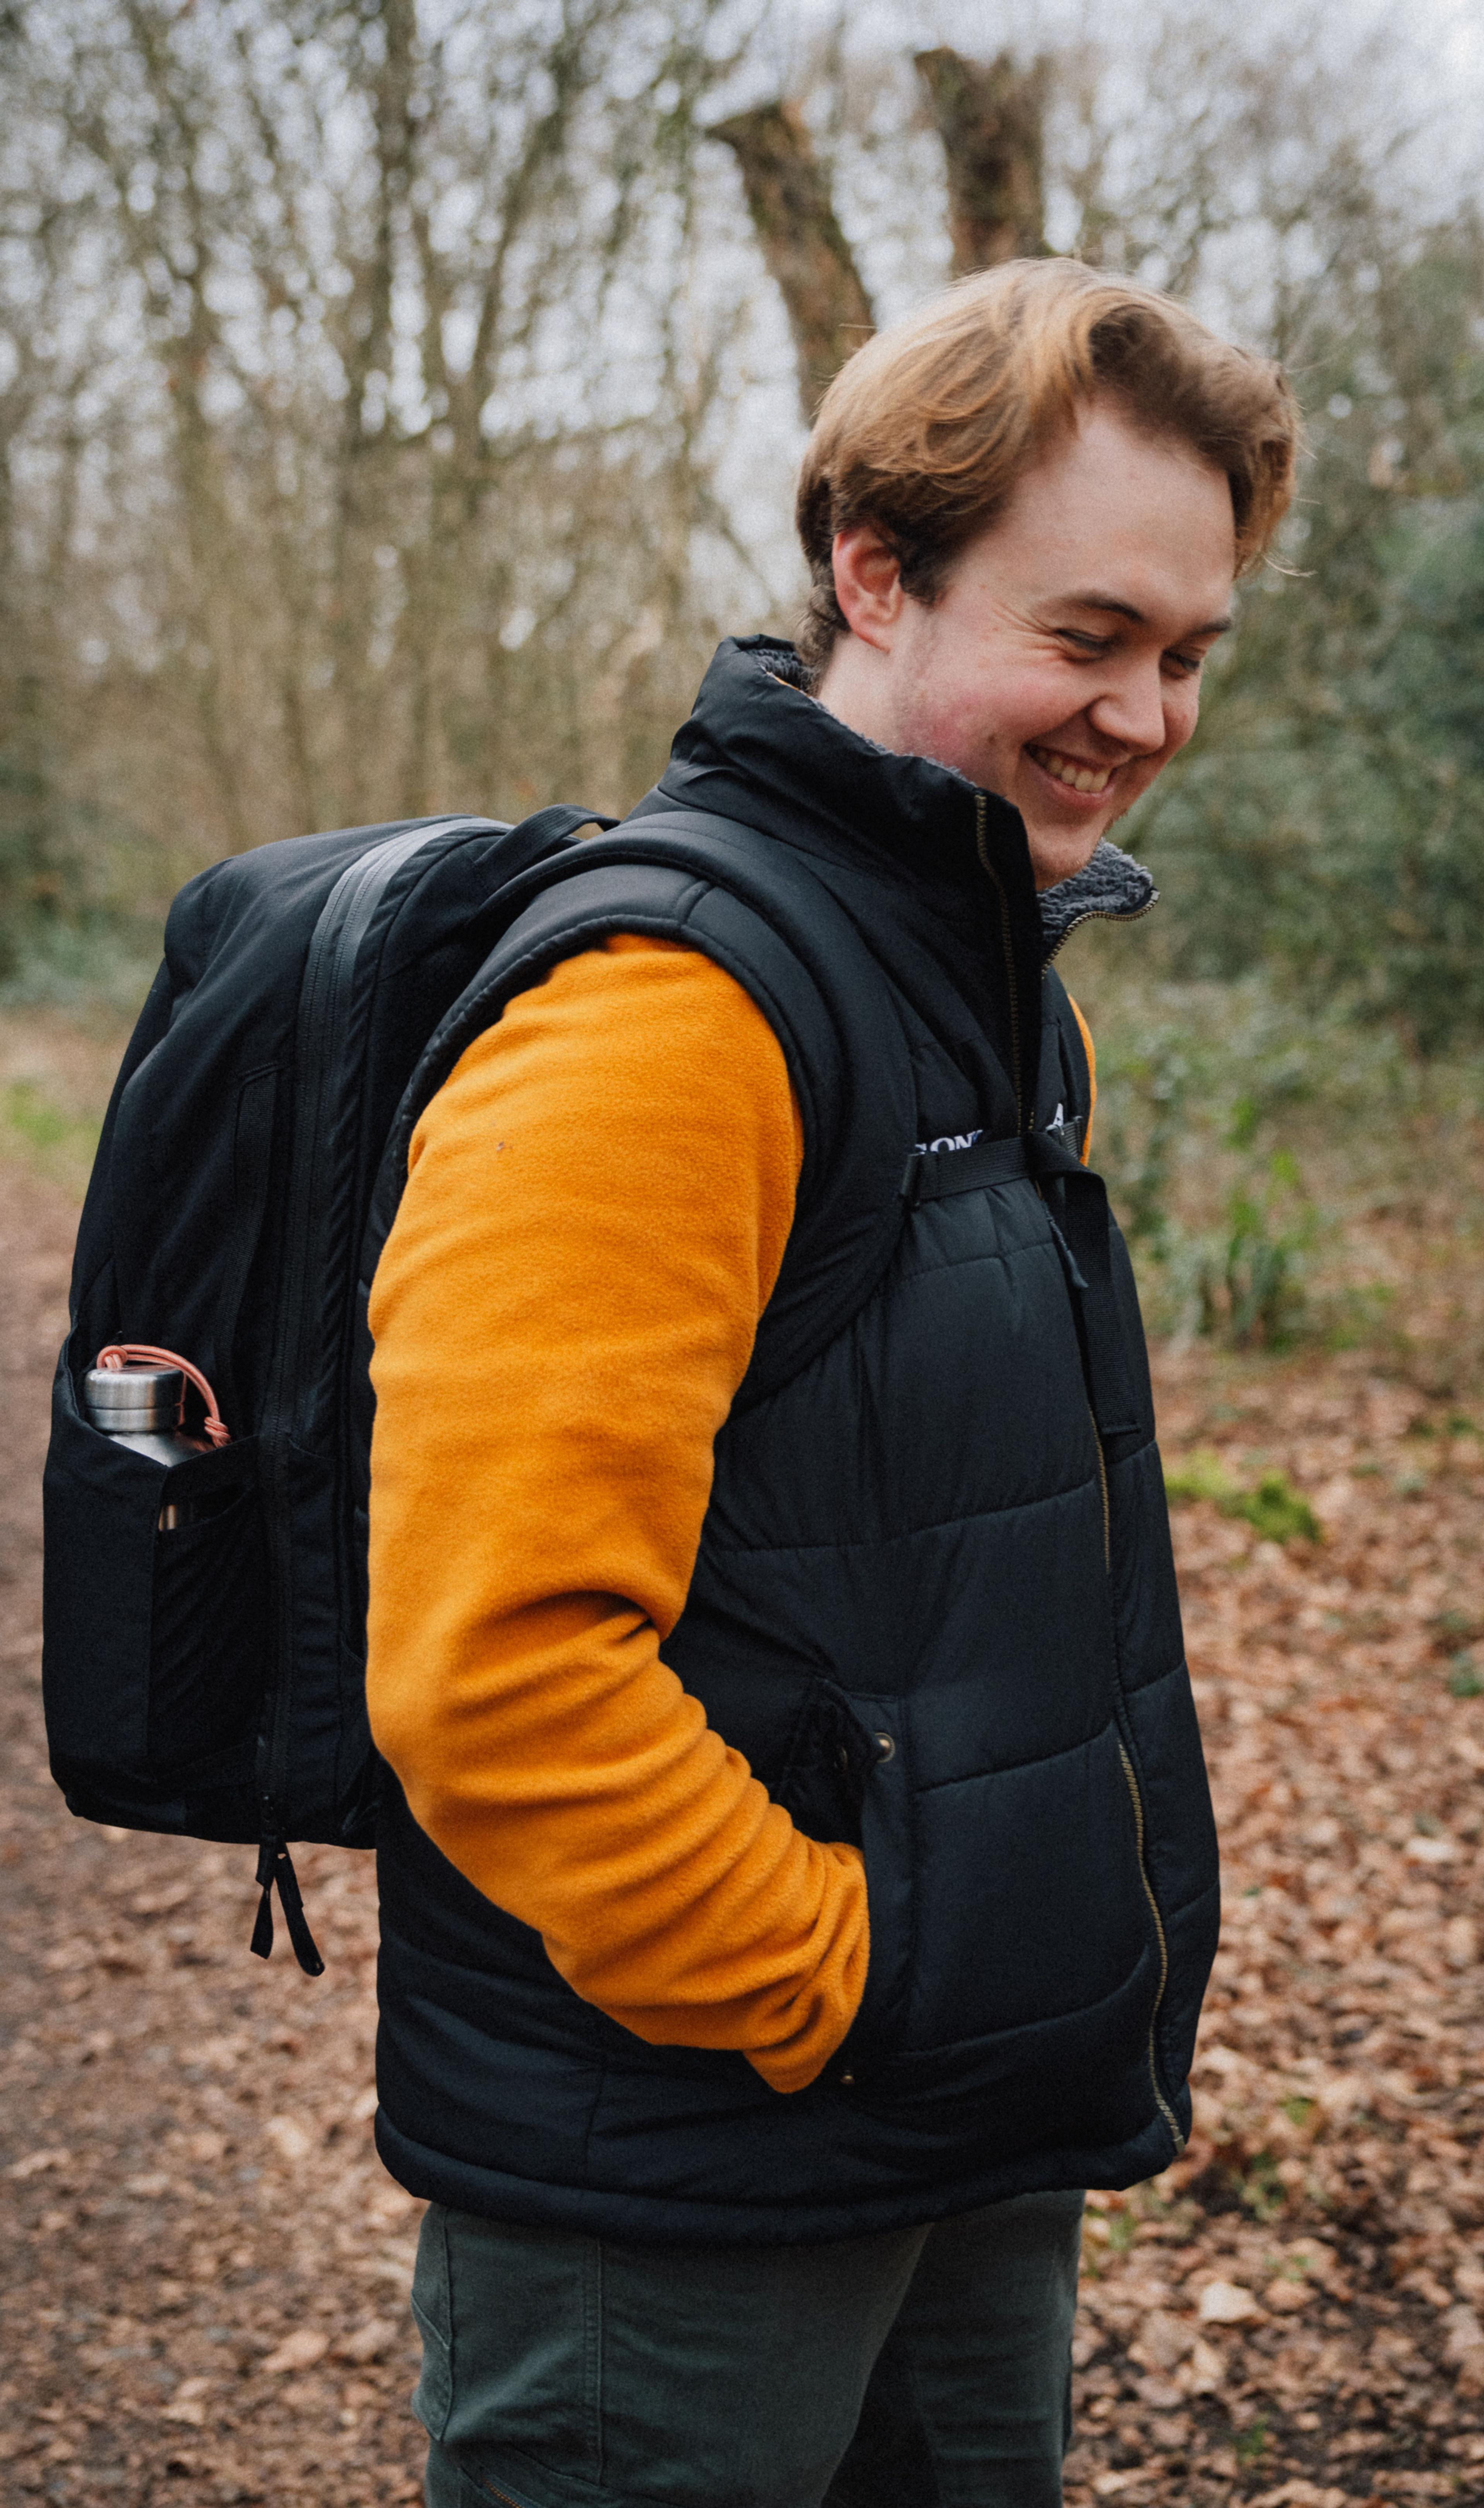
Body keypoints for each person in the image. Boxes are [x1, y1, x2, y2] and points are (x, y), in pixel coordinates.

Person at [364, 258, 1299, 2507]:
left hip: (964, 2123)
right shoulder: (667, 1020)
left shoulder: (987, 975)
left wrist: (961, 2002)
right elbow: (494, 1675)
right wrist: (850, 1981)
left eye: (1187, 656)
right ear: (874, 574)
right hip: (689, 2173)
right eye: (1086, 640)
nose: (1148, 713)